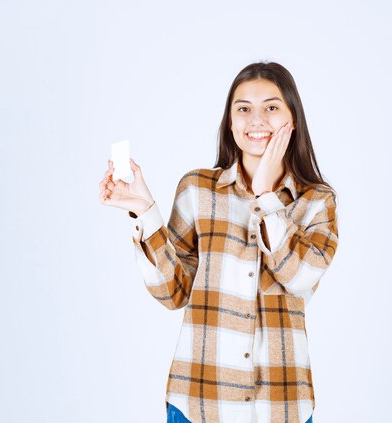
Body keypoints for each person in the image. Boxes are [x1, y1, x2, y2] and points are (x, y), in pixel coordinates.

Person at [99, 61, 339, 423]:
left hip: (282, 408)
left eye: (271, 107)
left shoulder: (316, 201)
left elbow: (299, 277)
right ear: (230, 122)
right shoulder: (197, 189)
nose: (256, 120)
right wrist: (146, 212)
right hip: (198, 403)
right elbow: (173, 292)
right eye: (243, 109)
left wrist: (264, 196)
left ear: (292, 121)